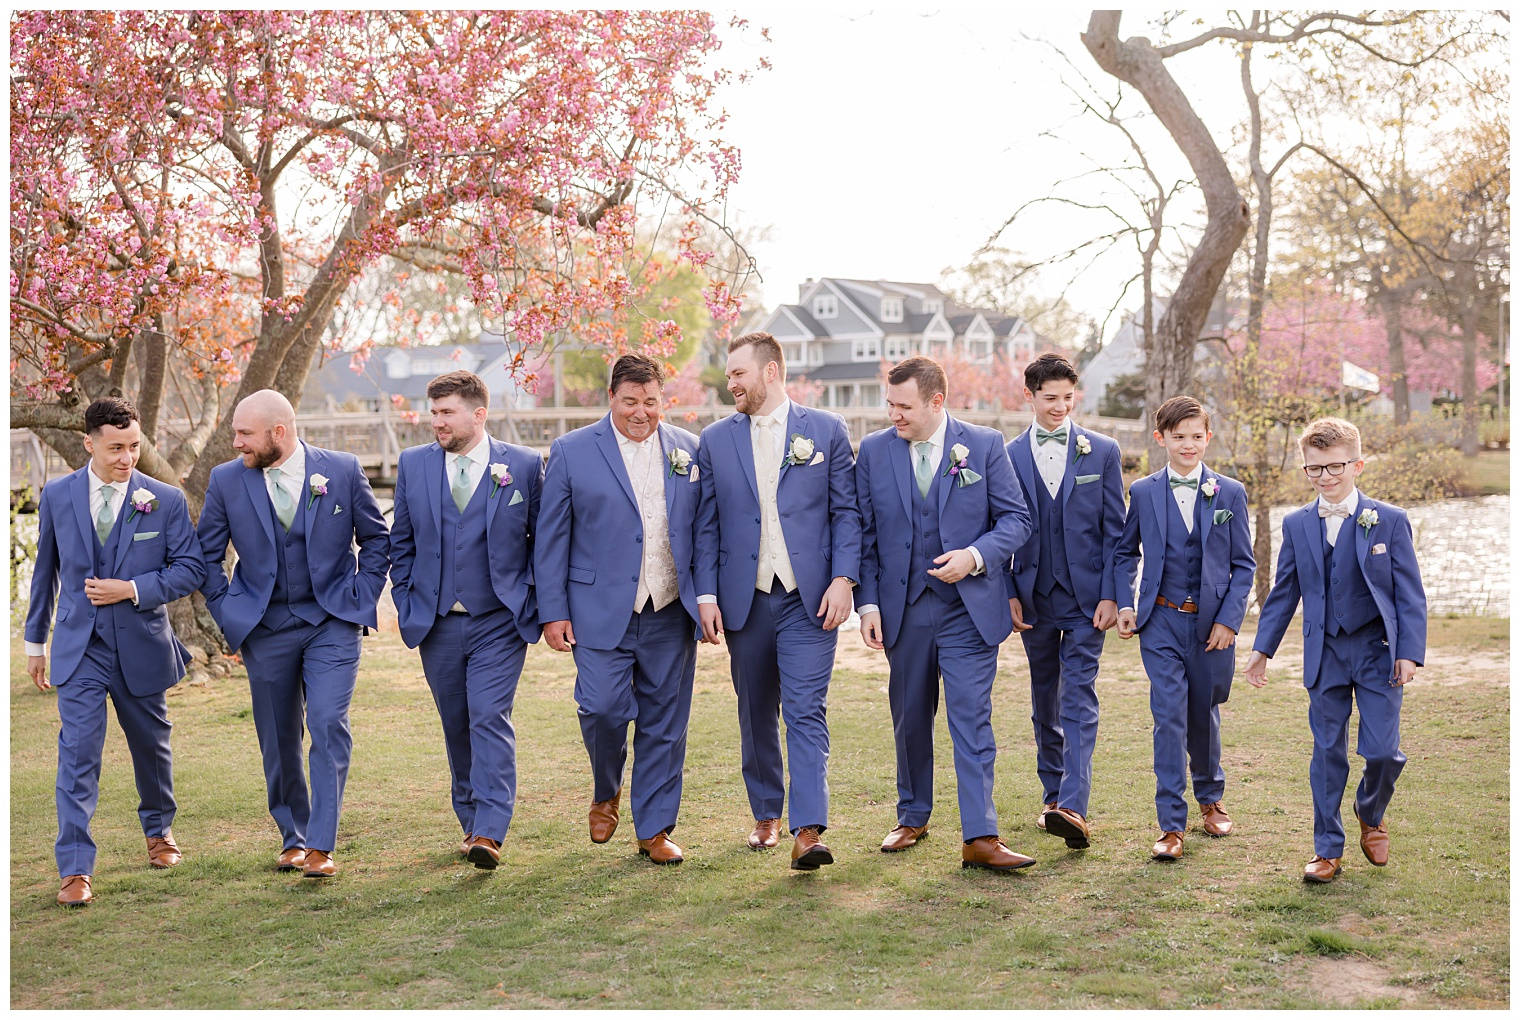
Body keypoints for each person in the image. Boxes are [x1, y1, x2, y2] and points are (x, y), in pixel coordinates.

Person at [197, 389, 389, 878]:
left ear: (277, 432)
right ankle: (293, 836)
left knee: (327, 724)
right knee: (279, 737)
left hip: (332, 623)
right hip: (264, 628)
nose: (236, 442)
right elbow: (206, 557)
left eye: (244, 433)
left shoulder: (342, 470)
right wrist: (228, 610)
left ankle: (321, 844)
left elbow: (376, 540)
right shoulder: (226, 480)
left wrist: (358, 597)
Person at [857, 356, 1037, 871]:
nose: (893, 414)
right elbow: (864, 535)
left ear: (937, 401)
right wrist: (867, 603)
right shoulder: (872, 452)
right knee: (910, 717)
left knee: (971, 719)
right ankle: (912, 815)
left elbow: (1017, 519)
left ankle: (980, 835)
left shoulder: (983, 446)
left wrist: (975, 556)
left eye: (904, 406)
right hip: (903, 610)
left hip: (968, 611)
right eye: (889, 404)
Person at [25, 397, 207, 906]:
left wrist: (131, 587)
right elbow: (45, 574)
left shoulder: (164, 500)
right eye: (115, 448)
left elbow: (190, 569)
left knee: (151, 747)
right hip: (79, 647)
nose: (127, 458)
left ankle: (158, 832)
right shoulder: (58, 495)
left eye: (133, 446)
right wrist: (35, 642)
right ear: (89, 444)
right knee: (77, 755)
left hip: (141, 643)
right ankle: (76, 868)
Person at [694, 331, 861, 870]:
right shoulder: (716, 439)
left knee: (806, 709)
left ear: (770, 372)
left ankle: (808, 829)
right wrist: (707, 593)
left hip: (810, 599)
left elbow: (847, 513)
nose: (731, 382)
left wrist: (844, 579)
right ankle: (766, 810)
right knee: (755, 709)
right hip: (745, 599)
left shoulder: (827, 431)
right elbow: (706, 524)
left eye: (739, 372)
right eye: (729, 373)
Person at [535, 353, 709, 865]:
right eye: (630, 401)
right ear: (611, 398)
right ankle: (605, 789)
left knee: (665, 722)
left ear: (663, 400)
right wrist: (553, 611)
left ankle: (654, 830)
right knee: (603, 708)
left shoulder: (689, 449)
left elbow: (704, 530)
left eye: (651, 402)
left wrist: (705, 598)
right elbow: (551, 539)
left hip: (670, 608)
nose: (641, 412)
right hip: (596, 609)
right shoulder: (571, 451)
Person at [1245, 417, 1426, 884]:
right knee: (1327, 752)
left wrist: (1410, 651)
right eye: (1315, 469)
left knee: (1383, 751)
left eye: (1334, 467)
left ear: (1357, 465)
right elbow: (1284, 592)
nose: (1325, 477)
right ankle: (1327, 849)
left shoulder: (1389, 519)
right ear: (1305, 470)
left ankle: (1371, 810)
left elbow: (1409, 595)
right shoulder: (1297, 523)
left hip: (1377, 650)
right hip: (1323, 651)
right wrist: (1262, 649)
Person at [389, 370, 543, 869]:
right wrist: (407, 597)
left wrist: (535, 599)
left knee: (488, 717)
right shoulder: (413, 465)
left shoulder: (520, 465)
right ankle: (470, 821)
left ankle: (490, 831)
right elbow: (402, 542)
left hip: (499, 621)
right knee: (456, 724)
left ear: (479, 414)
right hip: (436, 623)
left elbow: (541, 541)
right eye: (433, 412)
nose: (437, 422)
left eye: (447, 412)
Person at [1114, 395, 1255, 861]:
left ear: (1208, 438)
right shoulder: (1145, 491)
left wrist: (1229, 622)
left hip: (1212, 626)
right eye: (1179, 437)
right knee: (1169, 717)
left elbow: (1243, 566)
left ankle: (1211, 798)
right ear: (1162, 439)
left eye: (1197, 436)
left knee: (1203, 711)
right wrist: (1124, 603)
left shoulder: (1230, 492)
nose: (1188, 444)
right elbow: (1123, 552)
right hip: (1160, 621)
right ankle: (1171, 824)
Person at [1005, 352, 1125, 849]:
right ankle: (1052, 795)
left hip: (1087, 602)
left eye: (1067, 398)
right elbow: (996, 529)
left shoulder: (1103, 452)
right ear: (1029, 396)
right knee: (1043, 700)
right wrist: (1008, 593)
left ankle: (1074, 805)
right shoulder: (1006, 455)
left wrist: (1114, 595)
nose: (1059, 407)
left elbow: (1118, 534)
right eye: (1049, 398)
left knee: (1079, 697)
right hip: (1032, 600)